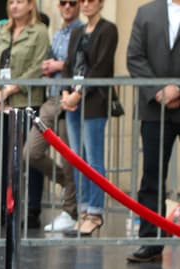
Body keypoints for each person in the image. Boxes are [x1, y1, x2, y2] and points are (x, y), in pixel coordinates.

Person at [0, 0, 49, 227]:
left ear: (31, 6)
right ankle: (0, 206)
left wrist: (9, 89)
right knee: (1, 156)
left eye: (20, 2)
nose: (14, 6)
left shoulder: (39, 31)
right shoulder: (0, 30)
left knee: (28, 155)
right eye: (11, 2)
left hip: (26, 101)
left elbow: (37, 67)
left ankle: (32, 209)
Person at [125, 0, 180, 263]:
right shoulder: (146, 13)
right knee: (152, 175)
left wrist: (178, 89)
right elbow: (134, 57)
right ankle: (150, 240)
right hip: (154, 109)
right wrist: (159, 92)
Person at [23, 0, 82, 234]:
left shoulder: (81, 31)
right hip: (51, 98)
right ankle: (69, 186)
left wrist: (58, 64)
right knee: (31, 152)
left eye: (72, 3)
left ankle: (71, 209)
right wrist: (48, 66)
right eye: (63, 3)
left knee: (70, 158)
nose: (67, 7)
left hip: (70, 99)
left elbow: (81, 64)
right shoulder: (57, 34)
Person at [60, 0, 116, 237]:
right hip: (72, 102)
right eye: (82, 1)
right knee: (77, 158)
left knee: (94, 159)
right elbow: (68, 65)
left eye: (91, 0)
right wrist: (65, 93)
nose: (85, 4)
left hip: (93, 102)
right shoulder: (77, 31)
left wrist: (78, 94)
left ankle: (94, 211)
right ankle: (83, 211)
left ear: (101, 3)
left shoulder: (108, 29)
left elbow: (101, 67)